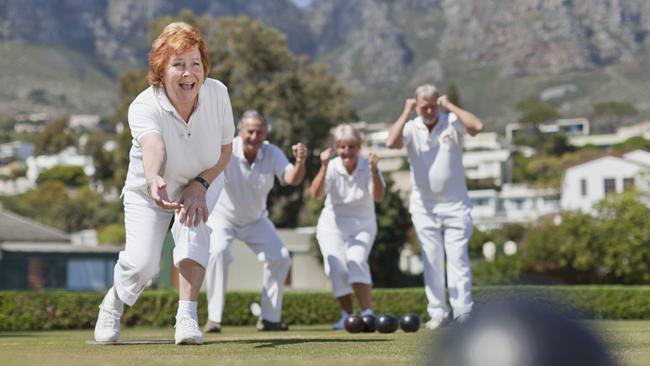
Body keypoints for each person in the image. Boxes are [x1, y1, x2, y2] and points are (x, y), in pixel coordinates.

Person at [93, 22, 235, 345]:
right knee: (143, 265)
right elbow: (153, 145)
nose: (188, 74)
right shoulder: (144, 105)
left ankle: (186, 318)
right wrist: (155, 177)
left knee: (193, 230)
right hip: (151, 188)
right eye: (178, 65)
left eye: (195, 64)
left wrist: (200, 184)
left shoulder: (218, 94)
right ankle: (113, 303)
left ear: (204, 68)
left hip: (204, 179)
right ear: (161, 70)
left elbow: (226, 150)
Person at [386, 83, 483, 330]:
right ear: (417, 106)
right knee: (431, 260)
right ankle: (438, 313)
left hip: (456, 205)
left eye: (432, 106)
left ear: (437, 104)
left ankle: (464, 312)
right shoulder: (411, 127)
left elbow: (476, 127)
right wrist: (406, 111)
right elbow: (391, 143)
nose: (428, 111)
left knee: (458, 258)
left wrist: (449, 105)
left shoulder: (450, 120)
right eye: (423, 107)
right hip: (424, 207)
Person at [203, 110, 307, 333]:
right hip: (223, 217)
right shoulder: (227, 149)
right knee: (218, 253)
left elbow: (291, 179)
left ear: (265, 133)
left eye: (259, 132)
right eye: (250, 131)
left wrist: (300, 161)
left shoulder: (272, 152)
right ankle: (214, 319)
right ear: (240, 131)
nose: (254, 136)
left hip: (256, 220)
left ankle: (269, 319)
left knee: (280, 258)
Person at [310, 124, 385, 330]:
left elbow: (378, 197)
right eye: (342, 147)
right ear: (336, 148)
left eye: (351, 147)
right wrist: (323, 166)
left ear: (358, 147)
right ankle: (348, 315)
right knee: (336, 268)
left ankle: (368, 313)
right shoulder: (332, 167)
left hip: (362, 225)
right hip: (332, 226)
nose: (347, 152)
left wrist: (375, 171)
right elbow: (316, 194)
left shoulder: (368, 166)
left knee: (356, 260)